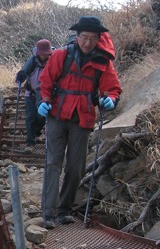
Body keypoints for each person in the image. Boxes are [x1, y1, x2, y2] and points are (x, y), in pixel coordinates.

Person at [37, 16, 122, 229]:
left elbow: (112, 87)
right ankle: (48, 213)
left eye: (93, 38)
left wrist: (110, 99)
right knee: (53, 163)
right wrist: (43, 101)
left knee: (76, 167)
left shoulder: (103, 61)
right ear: (77, 36)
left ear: (99, 39)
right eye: (84, 37)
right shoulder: (61, 55)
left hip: (83, 117)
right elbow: (45, 81)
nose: (87, 42)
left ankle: (63, 210)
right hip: (57, 114)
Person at [15, 39, 53, 147]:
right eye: (43, 54)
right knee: (30, 117)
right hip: (31, 93)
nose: (45, 56)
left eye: (47, 54)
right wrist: (21, 75)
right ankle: (30, 142)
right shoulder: (32, 61)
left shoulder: (52, 61)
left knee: (41, 116)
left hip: (45, 94)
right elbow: (24, 71)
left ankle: (37, 132)